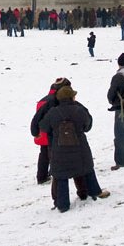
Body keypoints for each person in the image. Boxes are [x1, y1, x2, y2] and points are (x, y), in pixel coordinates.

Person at [39, 83, 109, 212]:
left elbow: (43, 126)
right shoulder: (79, 110)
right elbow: (88, 126)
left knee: (61, 178)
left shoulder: (53, 112)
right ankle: (95, 191)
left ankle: (63, 204)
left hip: (59, 152)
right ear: (71, 98)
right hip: (80, 149)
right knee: (88, 170)